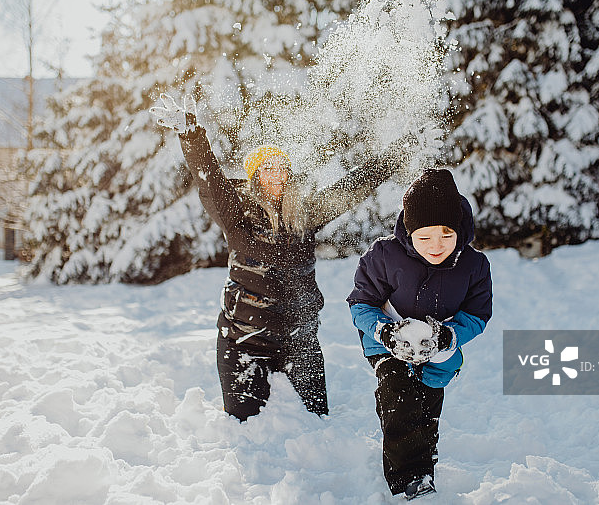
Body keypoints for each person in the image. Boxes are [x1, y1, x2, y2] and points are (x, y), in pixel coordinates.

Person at [150, 94, 400, 422]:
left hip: (300, 338)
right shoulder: (238, 214)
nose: (276, 174)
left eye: (281, 167)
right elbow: (209, 180)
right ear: (255, 176)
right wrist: (193, 136)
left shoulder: (304, 214)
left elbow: (349, 188)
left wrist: (392, 158)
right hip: (244, 339)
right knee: (244, 427)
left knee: (316, 421)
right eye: (267, 169)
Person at [346, 168, 493, 500]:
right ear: (409, 232)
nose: (436, 246)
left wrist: (447, 337)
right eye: (424, 237)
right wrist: (384, 333)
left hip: (437, 348)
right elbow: (360, 304)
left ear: (460, 230)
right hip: (387, 341)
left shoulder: (474, 266)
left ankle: (425, 447)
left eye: (446, 235)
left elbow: (477, 314)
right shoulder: (383, 256)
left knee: (427, 399)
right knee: (397, 393)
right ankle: (412, 478)